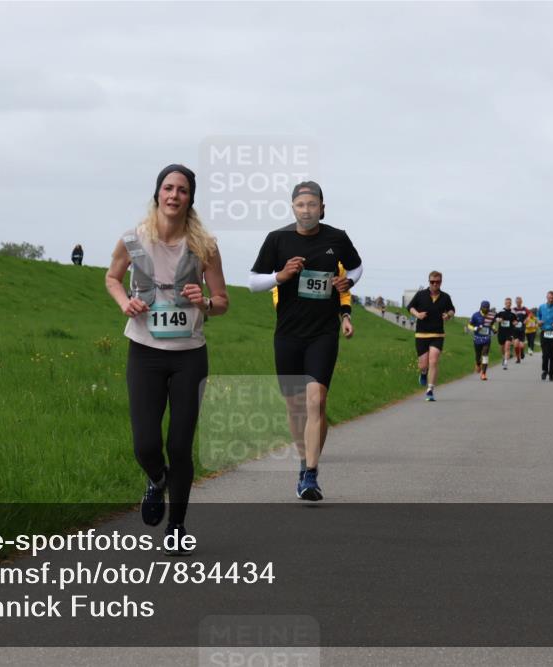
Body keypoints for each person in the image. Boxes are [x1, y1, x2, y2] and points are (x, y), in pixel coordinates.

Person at [105, 164, 229, 554]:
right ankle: (156, 480)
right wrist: (126, 301)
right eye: (168, 188)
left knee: (179, 445)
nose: (174, 196)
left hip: (189, 356)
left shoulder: (203, 246)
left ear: (191, 199)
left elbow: (223, 302)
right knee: (145, 444)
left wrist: (205, 302)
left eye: (183, 191)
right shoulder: (133, 239)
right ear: (157, 193)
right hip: (144, 351)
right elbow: (111, 277)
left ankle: (176, 526)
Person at [250, 180, 362, 501]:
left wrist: (347, 281)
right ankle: (303, 461)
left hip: (323, 333)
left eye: (312, 205)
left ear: (322, 208)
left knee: (317, 400)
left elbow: (357, 267)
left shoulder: (337, 238)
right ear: (293, 208)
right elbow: (253, 281)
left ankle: (311, 474)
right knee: (295, 405)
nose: (307, 210)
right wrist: (280, 276)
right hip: (287, 334)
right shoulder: (277, 240)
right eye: (301, 205)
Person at [407, 271, 456, 401]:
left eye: (437, 282)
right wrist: (417, 315)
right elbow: (410, 307)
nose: (435, 284)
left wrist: (448, 315)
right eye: (432, 282)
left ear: (441, 282)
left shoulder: (445, 297)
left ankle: (430, 390)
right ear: (429, 282)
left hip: (437, 334)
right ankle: (423, 373)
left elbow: (452, 309)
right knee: (423, 365)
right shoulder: (421, 294)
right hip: (421, 334)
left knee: (433, 360)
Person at [467, 300, 496, 381]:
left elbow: (492, 324)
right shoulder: (475, 315)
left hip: (487, 338)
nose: (486, 309)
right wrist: (475, 328)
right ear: (481, 307)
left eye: (487, 307)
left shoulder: (491, 316)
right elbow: (469, 325)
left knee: (485, 354)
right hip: (477, 338)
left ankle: (483, 373)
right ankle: (477, 363)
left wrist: (494, 329)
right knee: (478, 356)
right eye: (484, 307)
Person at [495, 297, 517, 370]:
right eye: (507, 303)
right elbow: (496, 319)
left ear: (511, 304)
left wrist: (515, 323)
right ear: (505, 303)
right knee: (502, 347)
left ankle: (505, 363)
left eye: (509, 303)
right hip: (501, 332)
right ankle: (503, 356)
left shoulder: (513, 312)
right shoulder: (500, 311)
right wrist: (499, 320)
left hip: (509, 332)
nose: (508, 304)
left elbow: (515, 321)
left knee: (507, 347)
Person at [512, 296, 529, 363]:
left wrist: (526, 319)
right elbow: (509, 317)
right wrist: (513, 321)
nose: (518, 302)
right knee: (516, 345)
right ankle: (518, 358)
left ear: (521, 302)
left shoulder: (524, 309)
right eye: (517, 301)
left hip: (522, 330)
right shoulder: (513, 309)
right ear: (515, 302)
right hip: (515, 330)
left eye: (519, 301)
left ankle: (522, 352)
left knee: (521, 346)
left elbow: (530, 314)